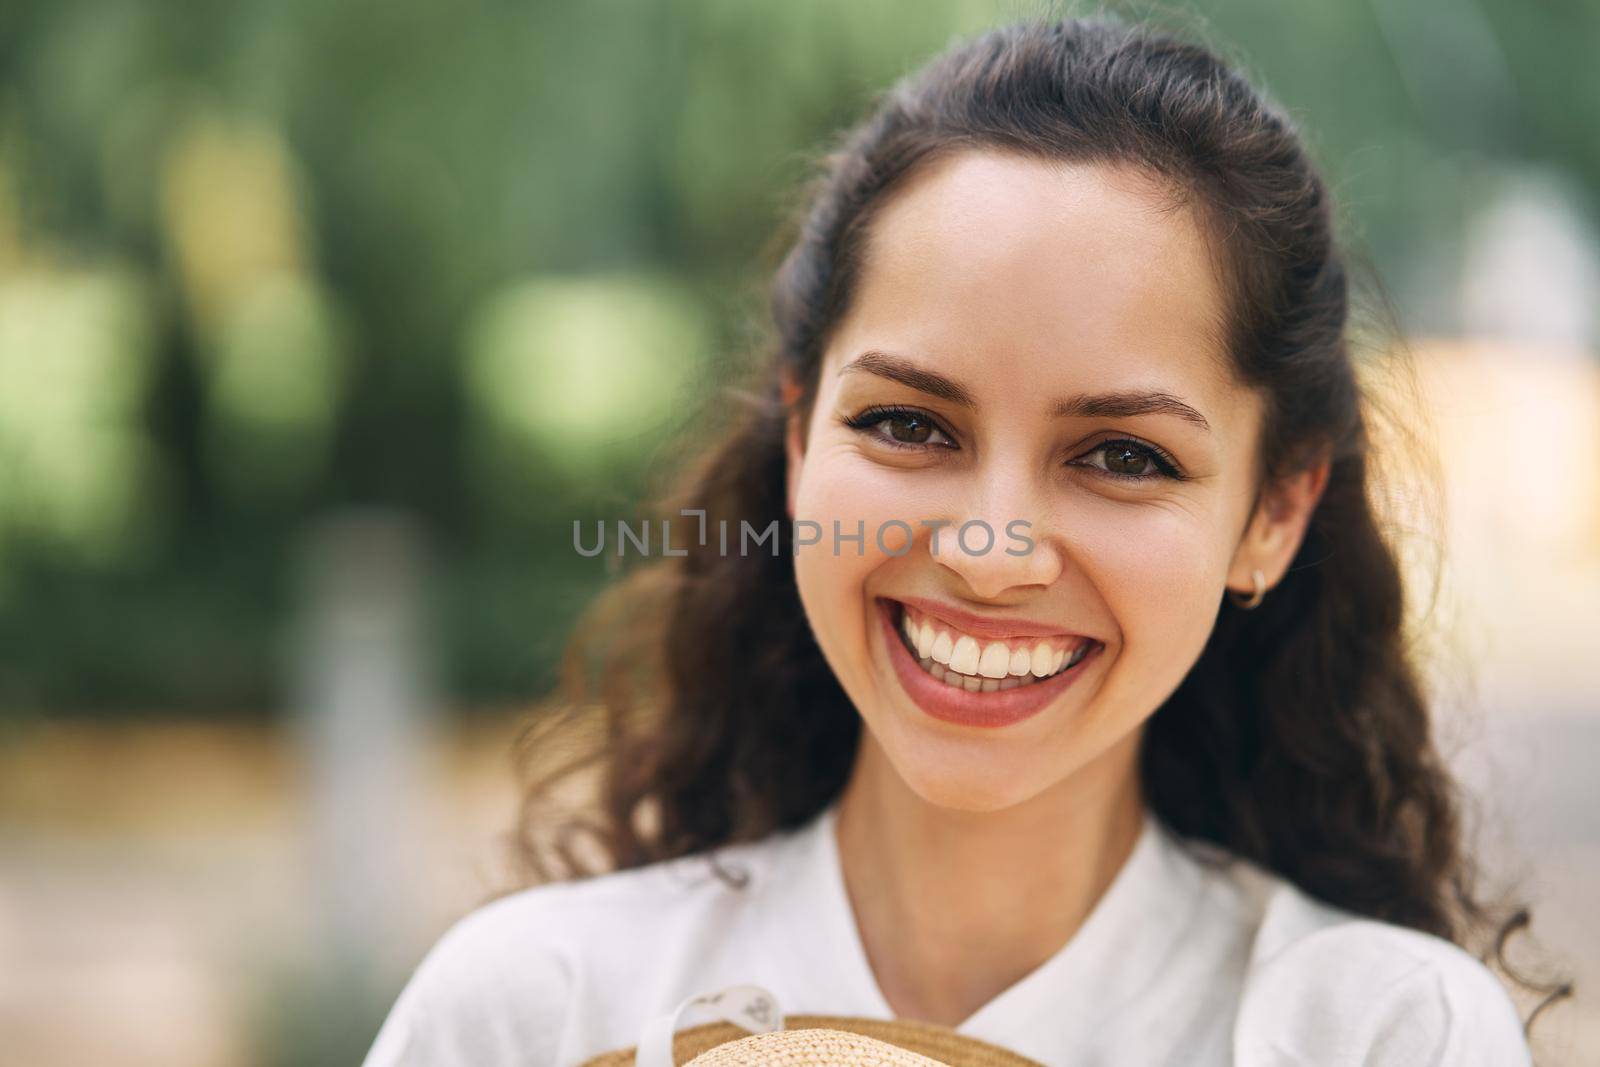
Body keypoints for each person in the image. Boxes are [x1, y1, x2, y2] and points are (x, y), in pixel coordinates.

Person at [364, 15, 1562, 1066]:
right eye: (907, 424)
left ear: (1272, 513)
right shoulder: (534, 1012)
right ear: (798, 438)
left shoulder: (1379, 1035)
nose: (992, 549)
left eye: (1123, 455)